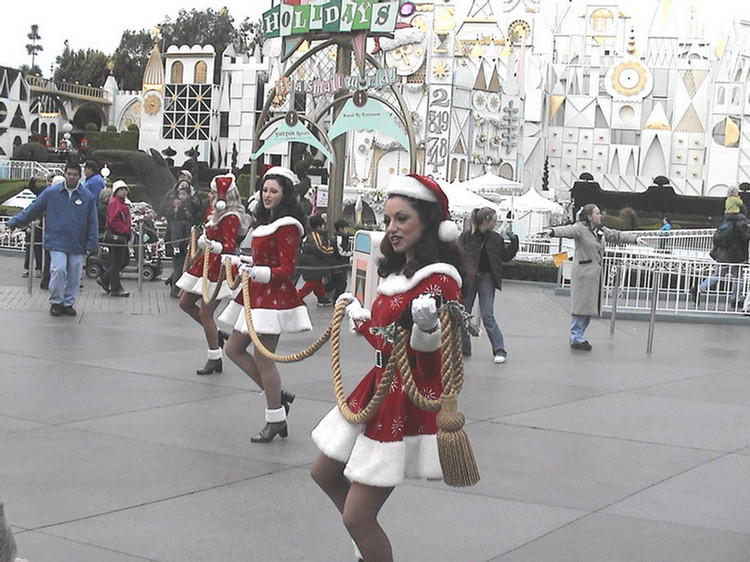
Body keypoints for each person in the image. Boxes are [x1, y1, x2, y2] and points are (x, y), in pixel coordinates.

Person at [310, 174, 463, 562]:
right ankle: (366, 544)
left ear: (427, 222)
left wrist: (427, 330)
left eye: (402, 219)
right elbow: (386, 338)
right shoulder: (396, 272)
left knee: (359, 518)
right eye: (388, 219)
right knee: (324, 473)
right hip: (377, 386)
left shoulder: (440, 280)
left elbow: (431, 362)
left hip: (402, 399)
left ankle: (366, 540)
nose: (391, 229)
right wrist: (362, 321)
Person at [219, 166, 311, 443]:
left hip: (273, 298)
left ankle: (275, 415)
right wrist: (242, 262)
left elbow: (286, 268)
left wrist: (258, 272)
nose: (267, 194)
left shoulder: (288, 226)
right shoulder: (266, 221)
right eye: (265, 189)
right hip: (256, 293)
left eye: (274, 190)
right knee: (233, 349)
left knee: (262, 358)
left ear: (285, 194)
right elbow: (263, 260)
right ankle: (278, 397)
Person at [539, 203, 644, 351]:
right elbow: (567, 230)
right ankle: (576, 336)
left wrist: (634, 239)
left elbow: (616, 235)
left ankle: (578, 335)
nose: (600, 216)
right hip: (583, 273)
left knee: (589, 308)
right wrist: (551, 232)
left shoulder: (600, 230)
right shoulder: (580, 228)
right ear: (589, 216)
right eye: (597, 213)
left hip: (594, 275)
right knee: (580, 306)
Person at [4, 160, 98, 317]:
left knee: (75, 274)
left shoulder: (88, 197)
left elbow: (93, 222)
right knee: (58, 270)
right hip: (57, 241)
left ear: (80, 176)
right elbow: (33, 209)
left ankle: (68, 303)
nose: (72, 177)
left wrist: (91, 243)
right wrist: (15, 221)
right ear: (65, 174)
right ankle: (56, 302)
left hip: (78, 243)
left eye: (75, 174)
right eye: (69, 174)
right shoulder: (51, 193)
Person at [176, 173, 247, 375]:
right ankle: (215, 333)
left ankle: (214, 356)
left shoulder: (231, 216)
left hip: (219, 268)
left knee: (205, 313)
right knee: (185, 303)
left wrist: (211, 245)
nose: (210, 195)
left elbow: (228, 245)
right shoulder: (214, 211)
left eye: (214, 192)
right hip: (206, 264)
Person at [458, 206, 518, 363]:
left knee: (487, 314)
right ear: (486, 221)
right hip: (469, 279)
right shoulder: (466, 236)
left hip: (486, 278)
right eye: (494, 220)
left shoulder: (495, 238)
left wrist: (514, 241)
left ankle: (500, 350)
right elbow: (456, 256)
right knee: (464, 313)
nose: (496, 223)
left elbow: (505, 257)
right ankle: (464, 347)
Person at [691, 204, 750, 308]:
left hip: (722, 254)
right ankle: (735, 299)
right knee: (738, 278)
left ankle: (700, 288)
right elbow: (745, 238)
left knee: (718, 274)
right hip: (735, 255)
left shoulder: (727, 220)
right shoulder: (741, 223)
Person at [161, 173, 202, 297]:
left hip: (189, 235)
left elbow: (198, 208)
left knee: (187, 264)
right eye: (181, 179)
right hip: (176, 236)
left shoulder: (193, 199)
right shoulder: (171, 197)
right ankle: (176, 289)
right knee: (178, 264)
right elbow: (164, 210)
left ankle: (177, 284)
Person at [97, 180, 132, 297]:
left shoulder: (120, 203)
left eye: (125, 189)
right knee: (118, 261)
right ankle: (115, 287)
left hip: (121, 235)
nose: (124, 191)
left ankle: (105, 279)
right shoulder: (115, 203)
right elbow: (112, 221)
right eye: (121, 189)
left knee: (121, 260)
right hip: (118, 236)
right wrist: (125, 230)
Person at [297, 214, 335, 306]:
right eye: (323, 225)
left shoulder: (311, 235)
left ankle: (321, 297)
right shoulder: (315, 236)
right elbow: (319, 248)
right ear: (319, 226)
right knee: (312, 282)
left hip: (311, 262)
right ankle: (298, 296)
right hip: (314, 263)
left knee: (317, 281)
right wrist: (330, 249)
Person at [21, 174, 46, 278]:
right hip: (32, 228)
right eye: (48, 180)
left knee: (39, 250)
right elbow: (31, 187)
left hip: (43, 228)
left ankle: (39, 269)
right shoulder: (43, 191)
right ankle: (27, 268)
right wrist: (34, 179)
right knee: (29, 250)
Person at [326, 218, 353, 301]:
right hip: (337, 264)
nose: (347, 230)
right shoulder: (339, 238)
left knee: (335, 282)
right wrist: (351, 253)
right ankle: (336, 299)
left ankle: (324, 291)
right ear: (341, 228)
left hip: (339, 264)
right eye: (346, 228)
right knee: (341, 283)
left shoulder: (343, 237)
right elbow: (340, 252)